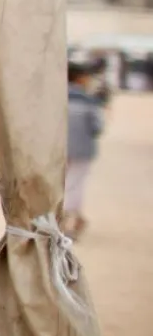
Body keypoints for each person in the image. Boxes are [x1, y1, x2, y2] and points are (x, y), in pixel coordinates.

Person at [64, 55, 107, 240]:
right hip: (82, 149)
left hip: (57, 150)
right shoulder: (88, 101)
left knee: (62, 184)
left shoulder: (54, 98)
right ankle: (68, 222)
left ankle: (71, 218)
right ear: (80, 78)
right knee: (75, 185)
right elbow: (97, 127)